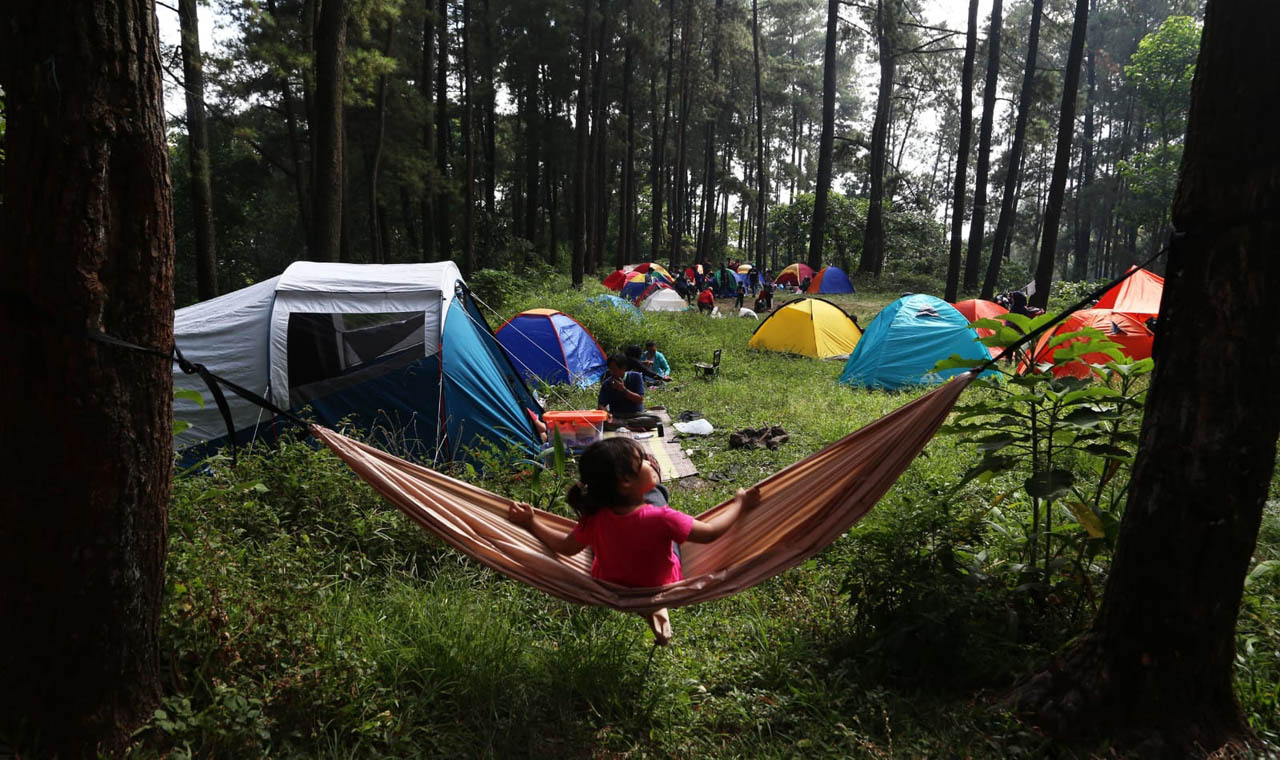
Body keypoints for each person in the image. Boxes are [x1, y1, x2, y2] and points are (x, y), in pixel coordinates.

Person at [507, 437, 761, 644]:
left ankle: (648, 609)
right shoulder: (663, 518)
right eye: (643, 462)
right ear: (625, 480)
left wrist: (532, 522)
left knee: (610, 540)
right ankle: (654, 607)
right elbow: (710, 533)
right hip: (661, 585)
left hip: (612, 585)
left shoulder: (595, 518)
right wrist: (741, 505)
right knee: (660, 512)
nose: (650, 463)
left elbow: (565, 547)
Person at [598, 353, 660, 430]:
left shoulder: (635, 377)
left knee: (656, 420)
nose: (612, 372)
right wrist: (607, 414)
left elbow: (639, 399)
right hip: (617, 414)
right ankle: (630, 427)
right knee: (602, 421)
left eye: (614, 370)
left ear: (623, 368)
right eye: (610, 369)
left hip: (635, 414)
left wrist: (623, 389)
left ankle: (624, 425)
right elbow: (601, 405)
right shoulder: (607, 383)